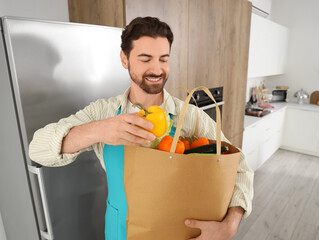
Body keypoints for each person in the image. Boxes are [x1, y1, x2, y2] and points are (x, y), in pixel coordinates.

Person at [29, 16, 254, 240]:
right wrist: (100, 130)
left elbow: (240, 166)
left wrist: (230, 224)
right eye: (145, 59)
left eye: (163, 59)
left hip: (180, 234)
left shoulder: (191, 117)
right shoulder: (104, 113)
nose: (157, 69)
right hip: (121, 233)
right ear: (124, 59)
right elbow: (37, 149)